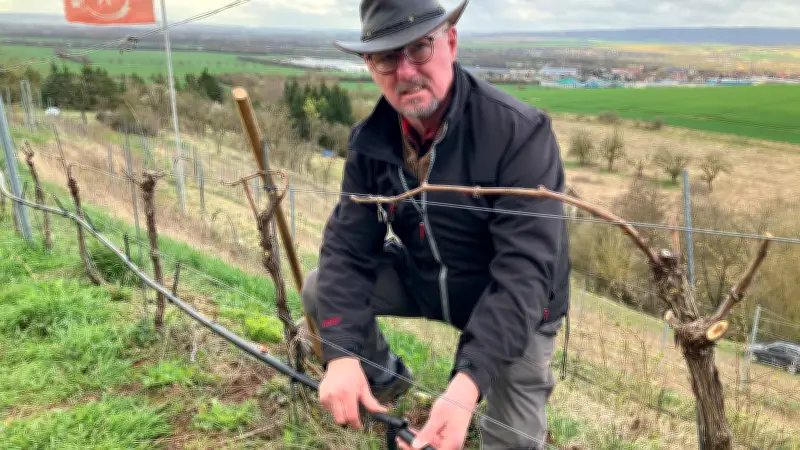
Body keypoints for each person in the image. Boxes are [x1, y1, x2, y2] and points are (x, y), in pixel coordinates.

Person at [300, 0, 571, 448]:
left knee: (513, 441)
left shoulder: (519, 133)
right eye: (387, 57)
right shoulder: (370, 142)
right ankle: (385, 383)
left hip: (515, 304)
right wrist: (342, 354)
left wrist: (465, 388)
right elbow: (348, 250)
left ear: (450, 41)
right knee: (320, 288)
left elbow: (524, 275)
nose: (405, 71)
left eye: (420, 48)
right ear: (370, 66)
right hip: (427, 277)